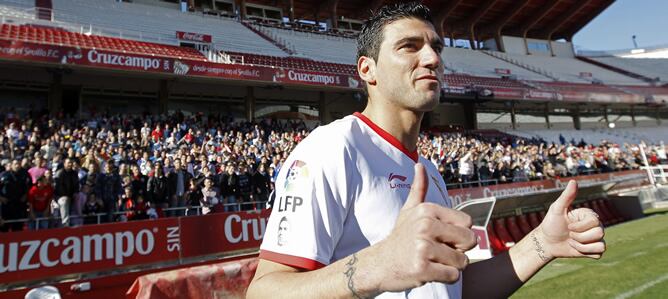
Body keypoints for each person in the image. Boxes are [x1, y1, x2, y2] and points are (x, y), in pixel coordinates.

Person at [246, 3, 606, 299]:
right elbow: (263, 291)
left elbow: (453, 291)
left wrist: (541, 244)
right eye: (409, 46)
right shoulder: (331, 149)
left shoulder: (428, 171)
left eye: (436, 47)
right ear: (367, 70)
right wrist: (377, 266)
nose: (432, 58)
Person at [54, 157, 79, 227]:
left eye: (71, 163)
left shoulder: (74, 173)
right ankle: (65, 224)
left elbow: (76, 185)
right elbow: (58, 188)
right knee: (64, 201)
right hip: (60, 196)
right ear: (64, 164)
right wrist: (66, 196)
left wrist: (75, 193)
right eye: (68, 163)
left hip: (71, 195)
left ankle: (78, 221)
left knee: (80, 196)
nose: (70, 164)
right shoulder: (60, 173)